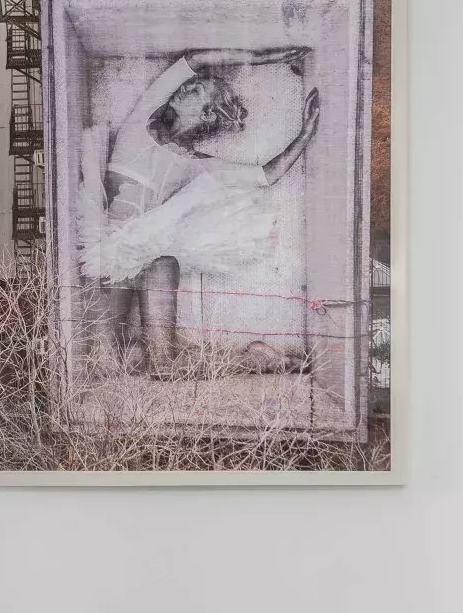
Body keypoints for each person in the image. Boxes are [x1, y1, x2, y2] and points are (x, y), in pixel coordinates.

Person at [84, 48, 320, 374]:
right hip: (110, 253)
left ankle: (255, 360)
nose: (185, 87)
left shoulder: (201, 166)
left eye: (196, 91)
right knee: (102, 361)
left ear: (208, 115)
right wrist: (261, 58)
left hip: (152, 257)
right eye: (189, 85)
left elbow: (267, 174)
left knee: (163, 361)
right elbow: (194, 60)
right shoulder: (141, 124)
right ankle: (251, 359)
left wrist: (306, 133)